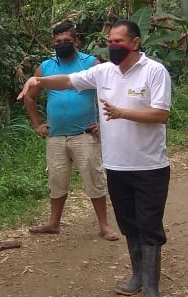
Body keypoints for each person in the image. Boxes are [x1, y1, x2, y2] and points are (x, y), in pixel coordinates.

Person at [17, 20, 172, 297]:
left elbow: (161, 114)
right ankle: (137, 277)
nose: (112, 46)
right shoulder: (104, 72)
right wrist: (38, 82)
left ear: (135, 43)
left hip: (149, 165)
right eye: (110, 41)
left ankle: (152, 290)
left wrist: (122, 112)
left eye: (118, 41)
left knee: (149, 225)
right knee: (129, 224)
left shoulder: (154, 71)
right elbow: (68, 81)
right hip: (117, 165)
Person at [22, 21, 119, 241]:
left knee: (94, 179)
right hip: (55, 136)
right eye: (58, 41)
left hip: (85, 134)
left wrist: (103, 123)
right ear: (53, 43)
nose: (62, 44)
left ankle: (104, 226)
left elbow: (109, 91)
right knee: (57, 180)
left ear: (76, 41)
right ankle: (53, 223)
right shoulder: (45, 67)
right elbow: (29, 96)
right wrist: (37, 124)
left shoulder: (90, 63)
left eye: (67, 40)